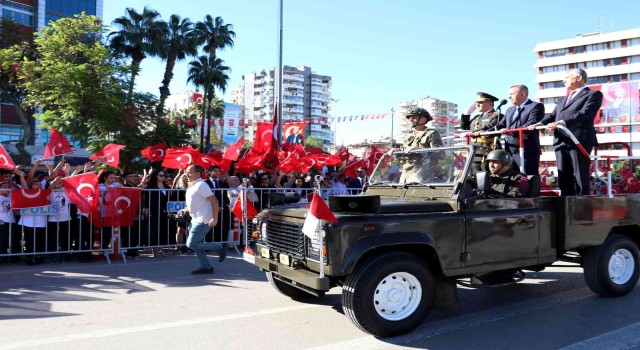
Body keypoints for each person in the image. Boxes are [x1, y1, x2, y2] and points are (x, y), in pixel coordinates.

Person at [529, 68, 603, 196]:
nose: (564, 80)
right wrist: (540, 123)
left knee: (579, 174)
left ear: (578, 78)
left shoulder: (593, 94)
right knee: (563, 174)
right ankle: (566, 205)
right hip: (561, 140)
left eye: (567, 77)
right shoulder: (563, 99)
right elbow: (552, 115)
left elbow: (584, 113)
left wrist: (562, 122)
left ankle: (582, 204)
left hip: (578, 139)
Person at [181, 165, 227, 274]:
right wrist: (186, 209)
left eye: (189, 172)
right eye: (186, 172)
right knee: (197, 245)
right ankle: (206, 267)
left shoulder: (201, 185)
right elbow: (197, 202)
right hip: (195, 219)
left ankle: (220, 246)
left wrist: (214, 219)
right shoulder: (192, 185)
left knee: (191, 244)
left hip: (203, 220)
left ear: (198, 174)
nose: (187, 174)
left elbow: (214, 201)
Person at [497, 84, 544, 175]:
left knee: (528, 177)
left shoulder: (536, 106)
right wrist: (484, 131)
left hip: (527, 150)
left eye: (512, 94)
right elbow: (500, 125)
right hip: (510, 150)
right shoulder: (510, 110)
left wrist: (510, 132)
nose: (509, 96)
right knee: (512, 179)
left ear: (522, 94)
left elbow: (531, 123)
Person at [461, 92, 504, 172]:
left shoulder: (496, 115)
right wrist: (467, 113)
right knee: (475, 175)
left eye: (480, 103)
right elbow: (464, 127)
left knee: (487, 175)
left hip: (488, 150)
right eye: (477, 103)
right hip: (474, 150)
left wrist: (472, 133)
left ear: (489, 103)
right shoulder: (477, 117)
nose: (477, 105)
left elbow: (489, 129)